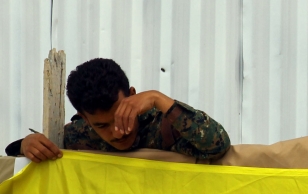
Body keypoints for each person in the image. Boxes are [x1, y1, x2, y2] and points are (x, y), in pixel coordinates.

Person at [5, 58, 230, 162]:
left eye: (122, 117)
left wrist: (158, 98)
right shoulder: (78, 135)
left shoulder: (166, 124)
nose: (117, 132)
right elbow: (15, 156)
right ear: (84, 119)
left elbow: (217, 146)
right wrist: (26, 144)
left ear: (133, 95)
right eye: (101, 125)